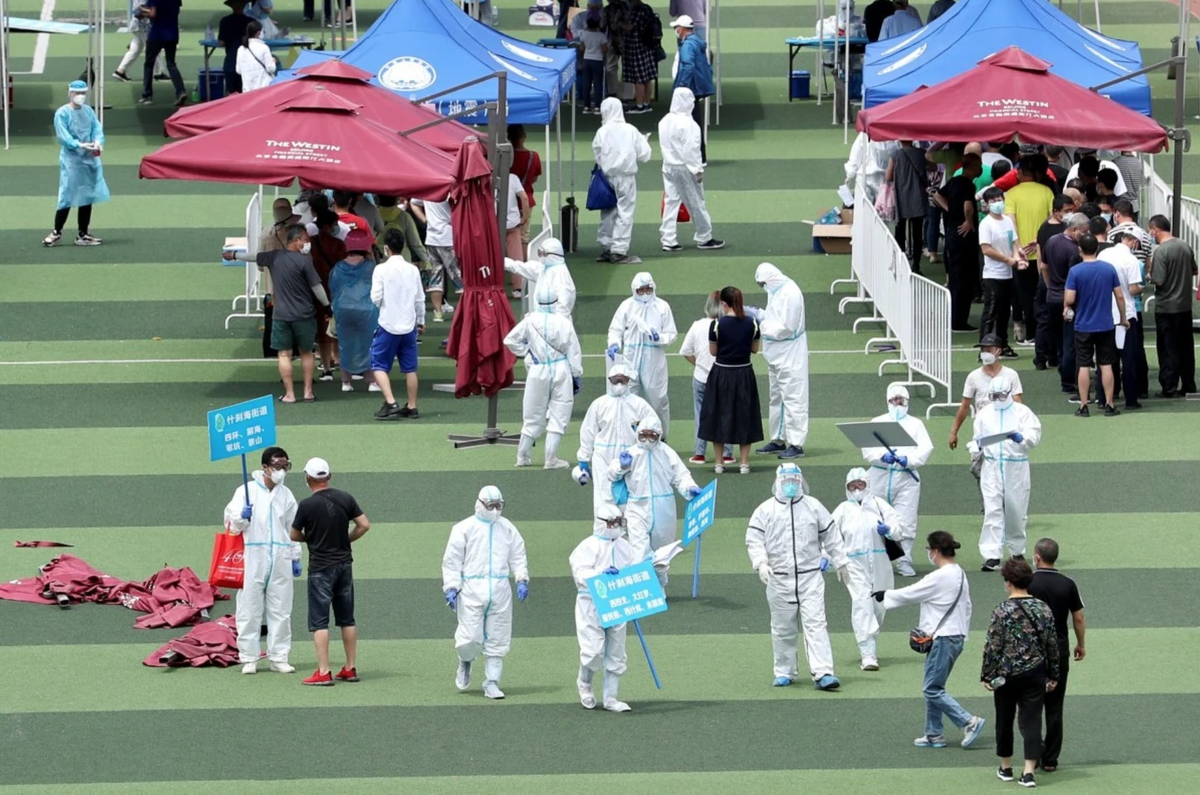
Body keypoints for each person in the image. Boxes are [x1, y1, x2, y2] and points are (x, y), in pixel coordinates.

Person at [877, 531, 986, 749]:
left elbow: (913, 592)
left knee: (931, 689)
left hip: (943, 638)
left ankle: (968, 721)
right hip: (954, 636)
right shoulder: (960, 573)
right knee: (935, 686)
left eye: (929, 550)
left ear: (935, 551)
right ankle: (934, 733)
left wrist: (886, 595)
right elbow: (967, 607)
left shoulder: (940, 576)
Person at [746, 463, 846, 690]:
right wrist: (760, 562)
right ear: (778, 481)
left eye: (794, 480)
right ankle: (784, 671)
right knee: (782, 628)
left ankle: (823, 672)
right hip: (779, 578)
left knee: (816, 624)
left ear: (801, 481)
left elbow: (831, 535)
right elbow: (754, 540)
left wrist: (841, 561)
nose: (791, 484)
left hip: (810, 577)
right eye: (786, 480)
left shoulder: (813, 506)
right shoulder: (765, 510)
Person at [442, 486, 530, 700]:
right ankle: (465, 660)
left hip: (500, 588)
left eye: (499, 505)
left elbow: (518, 554)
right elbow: (452, 560)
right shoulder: (464, 528)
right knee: (470, 636)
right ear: (480, 504)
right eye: (491, 506)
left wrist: (521, 578)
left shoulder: (507, 528)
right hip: (471, 588)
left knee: (498, 637)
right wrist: (451, 586)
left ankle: (492, 682)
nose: (495, 510)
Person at [290, 457, 371, 686]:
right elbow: (364, 525)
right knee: (347, 619)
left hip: (320, 568)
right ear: (329, 476)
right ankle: (350, 668)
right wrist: (346, 540)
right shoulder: (345, 497)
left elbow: (294, 534)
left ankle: (324, 671)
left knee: (319, 622)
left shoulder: (307, 505)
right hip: (345, 565)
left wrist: (311, 539)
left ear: (307, 478)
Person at [981, 559, 1060, 789]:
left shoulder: (1001, 610)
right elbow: (1051, 644)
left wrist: (987, 674)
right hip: (1035, 672)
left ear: (1008, 582)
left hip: (1006, 674)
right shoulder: (1043, 608)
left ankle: (1006, 767)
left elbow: (993, 645)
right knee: (1032, 721)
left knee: (1004, 719)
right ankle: (1028, 772)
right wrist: (1053, 674)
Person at [222, 446, 302, 675]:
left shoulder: (286, 495)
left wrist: (295, 556)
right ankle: (249, 657)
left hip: (280, 556)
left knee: (281, 609)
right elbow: (231, 524)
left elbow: (292, 528)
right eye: (277, 466)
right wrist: (241, 516)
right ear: (265, 467)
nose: (281, 471)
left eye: (285, 466)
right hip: (252, 556)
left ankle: (279, 657)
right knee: (249, 609)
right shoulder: (245, 491)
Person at [607, 415, 700, 582]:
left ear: (659, 435)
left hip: (663, 507)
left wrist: (689, 487)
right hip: (637, 507)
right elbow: (611, 474)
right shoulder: (631, 453)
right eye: (643, 435)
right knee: (639, 552)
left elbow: (681, 476)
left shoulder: (667, 453)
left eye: (652, 436)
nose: (647, 440)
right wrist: (621, 466)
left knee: (661, 555)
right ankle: (641, 587)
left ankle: (659, 586)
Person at [504, 284, 584, 470]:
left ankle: (522, 456)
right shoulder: (564, 322)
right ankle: (551, 458)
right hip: (560, 368)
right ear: (556, 302)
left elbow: (510, 340)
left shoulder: (530, 320)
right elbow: (574, 351)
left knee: (532, 412)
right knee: (559, 412)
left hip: (538, 369)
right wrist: (576, 373)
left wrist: (527, 352)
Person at [968, 375, 1042, 571]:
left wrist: (1022, 438)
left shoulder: (1022, 412)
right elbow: (977, 438)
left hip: (1015, 466)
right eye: (994, 396)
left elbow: (1034, 435)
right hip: (991, 466)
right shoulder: (984, 414)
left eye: (1001, 395)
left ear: (1009, 393)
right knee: (992, 510)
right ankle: (992, 555)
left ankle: (1017, 551)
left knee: (1016, 510)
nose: (997, 399)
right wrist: (975, 449)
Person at [832, 467, 903, 671]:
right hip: (853, 563)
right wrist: (828, 558)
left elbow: (898, 529)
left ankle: (870, 638)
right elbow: (830, 535)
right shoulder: (843, 509)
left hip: (880, 561)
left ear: (867, 484)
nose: (856, 489)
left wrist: (888, 530)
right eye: (852, 486)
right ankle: (868, 653)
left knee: (879, 604)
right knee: (862, 602)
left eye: (860, 484)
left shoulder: (879, 505)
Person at [569, 504, 638, 711]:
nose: (615, 527)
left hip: (618, 602)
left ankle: (611, 698)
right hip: (591, 602)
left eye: (618, 522)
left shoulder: (624, 546)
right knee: (593, 651)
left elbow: (633, 568)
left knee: (617, 652)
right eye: (611, 523)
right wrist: (600, 574)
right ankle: (584, 683)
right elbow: (579, 572)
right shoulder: (588, 546)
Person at [860, 384, 933, 577]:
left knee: (906, 520)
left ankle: (904, 560)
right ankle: (874, 560)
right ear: (888, 401)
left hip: (906, 477)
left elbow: (925, 448)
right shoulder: (878, 422)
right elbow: (867, 449)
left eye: (901, 400)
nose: (898, 404)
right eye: (894, 400)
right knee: (873, 516)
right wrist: (881, 457)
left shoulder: (916, 424)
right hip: (879, 475)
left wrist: (909, 460)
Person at [1027, 538, 1086, 774]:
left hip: (1031, 652)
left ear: (1037, 557)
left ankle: (1033, 753)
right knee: (1054, 707)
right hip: (1059, 651)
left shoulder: (1027, 581)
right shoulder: (1068, 583)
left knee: (1030, 706)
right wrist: (1081, 644)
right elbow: (1078, 618)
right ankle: (1051, 759)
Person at [255, 225, 330, 403]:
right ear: (295, 241)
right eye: (305, 240)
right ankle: (308, 392)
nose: (308, 243)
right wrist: (327, 306)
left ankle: (289, 394)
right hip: (304, 315)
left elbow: (254, 257)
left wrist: (234, 255)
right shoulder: (305, 262)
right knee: (307, 353)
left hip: (281, 315)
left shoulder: (274, 256)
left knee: (284, 355)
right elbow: (317, 287)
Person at [948, 334, 1024, 511]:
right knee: (979, 468)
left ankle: (1007, 506)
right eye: (983, 350)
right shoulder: (973, 377)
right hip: (983, 431)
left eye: (988, 350)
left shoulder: (1011, 375)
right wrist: (954, 431)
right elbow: (965, 406)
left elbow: (1019, 404)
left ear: (998, 351)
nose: (984, 353)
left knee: (1006, 469)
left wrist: (1021, 429)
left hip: (1005, 429)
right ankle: (989, 506)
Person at [574, 363, 659, 511]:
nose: (619, 383)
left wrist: (649, 449)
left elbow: (655, 426)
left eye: (622, 379)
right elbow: (588, 431)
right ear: (610, 380)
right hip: (603, 457)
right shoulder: (599, 404)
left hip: (631, 456)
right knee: (603, 496)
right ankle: (603, 524)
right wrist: (583, 458)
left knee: (633, 496)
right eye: (615, 380)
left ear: (628, 380)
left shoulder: (639, 404)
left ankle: (630, 524)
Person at [699, 286, 763, 473]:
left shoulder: (717, 324)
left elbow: (713, 351)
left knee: (718, 415)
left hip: (722, 373)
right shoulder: (753, 323)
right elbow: (754, 349)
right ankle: (744, 463)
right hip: (744, 373)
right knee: (745, 415)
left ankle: (719, 463)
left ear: (724, 304)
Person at [606, 272, 677, 436]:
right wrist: (614, 344)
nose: (645, 293)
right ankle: (627, 436)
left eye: (648, 289)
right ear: (634, 289)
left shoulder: (662, 307)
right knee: (627, 398)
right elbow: (615, 329)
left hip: (654, 360)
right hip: (630, 358)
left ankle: (660, 436)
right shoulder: (626, 306)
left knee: (658, 400)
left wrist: (659, 338)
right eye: (641, 290)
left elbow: (671, 333)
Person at [1065, 232, 1126, 417]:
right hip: (1105, 324)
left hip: (1083, 325)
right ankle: (1109, 404)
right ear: (1097, 248)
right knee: (1106, 365)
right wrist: (1123, 318)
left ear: (1080, 249)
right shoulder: (1108, 269)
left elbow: (1070, 298)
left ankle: (1084, 405)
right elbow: (1120, 296)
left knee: (1083, 365)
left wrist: (1067, 306)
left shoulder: (1075, 271)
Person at [752, 263, 809, 459]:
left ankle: (796, 444)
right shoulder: (775, 290)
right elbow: (774, 316)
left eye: (763, 283)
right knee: (776, 397)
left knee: (793, 398)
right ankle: (778, 439)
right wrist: (761, 314)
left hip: (790, 353)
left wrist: (761, 322)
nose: (763, 287)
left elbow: (787, 328)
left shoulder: (791, 293)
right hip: (775, 354)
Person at [658, 87, 724, 252]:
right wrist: (697, 170)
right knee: (696, 202)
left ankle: (668, 239)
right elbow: (691, 150)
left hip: (668, 165)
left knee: (671, 201)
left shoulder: (665, 120)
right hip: (685, 167)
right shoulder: (689, 124)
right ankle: (704, 237)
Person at [45, 81, 109, 248]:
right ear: (69, 93)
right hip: (72, 160)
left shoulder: (88, 111)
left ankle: (83, 234)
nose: (80, 96)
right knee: (67, 195)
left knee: (86, 195)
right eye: (76, 93)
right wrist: (79, 145)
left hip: (89, 159)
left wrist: (97, 142)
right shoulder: (62, 113)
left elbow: (96, 129)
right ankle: (56, 232)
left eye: (83, 93)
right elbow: (63, 136)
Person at [370, 228, 425, 420]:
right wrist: (421, 320)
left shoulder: (380, 269)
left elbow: (376, 297)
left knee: (378, 364)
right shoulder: (413, 269)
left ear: (386, 248)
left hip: (388, 324)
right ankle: (412, 405)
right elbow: (420, 298)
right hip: (409, 325)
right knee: (410, 368)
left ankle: (390, 401)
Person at [593, 97, 652, 263]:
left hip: (606, 176)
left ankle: (606, 246)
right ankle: (619, 250)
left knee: (608, 211)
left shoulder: (602, 131)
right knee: (625, 211)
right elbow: (645, 154)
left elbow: (597, 153)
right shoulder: (630, 130)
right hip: (625, 176)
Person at [1005, 161, 1056, 347]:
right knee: (1043, 293)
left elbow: (1010, 222)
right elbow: (1051, 218)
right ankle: (1046, 332)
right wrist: (1038, 239)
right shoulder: (1046, 192)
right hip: (1043, 252)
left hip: (1021, 255)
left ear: (1019, 173)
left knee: (1025, 295)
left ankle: (1031, 333)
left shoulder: (1011, 194)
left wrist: (1018, 246)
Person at [680, 291, 733, 465]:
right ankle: (727, 454)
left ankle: (699, 453)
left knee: (701, 415)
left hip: (702, 377)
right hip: (724, 377)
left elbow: (685, 351)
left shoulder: (697, 325)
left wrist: (699, 363)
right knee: (726, 414)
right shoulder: (729, 325)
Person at [1147, 215, 1198, 397]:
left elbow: (1159, 279)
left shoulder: (1161, 251)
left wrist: (1149, 276)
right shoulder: (1184, 245)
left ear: (1155, 230)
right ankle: (1188, 384)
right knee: (1186, 347)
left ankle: (1169, 387)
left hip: (1166, 307)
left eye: (1150, 231)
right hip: (1184, 305)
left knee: (1168, 348)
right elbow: (1194, 269)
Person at [1041, 212, 1087, 398]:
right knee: (1070, 343)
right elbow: (1075, 279)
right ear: (1074, 230)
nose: (1086, 235)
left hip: (1052, 297)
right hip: (1067, 300)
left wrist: (1049, 286)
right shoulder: (1074, 251)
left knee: (1059, 340)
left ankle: (1063, 371)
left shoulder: (1052, 241)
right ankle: (1068, 381)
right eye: (1084, 231)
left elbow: (1044, 267)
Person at [934, 152, 981, 330]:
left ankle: (954, 317)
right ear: (971, 166)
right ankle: (958, 320)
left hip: (952, 233)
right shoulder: (967, 184)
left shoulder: (954, 181)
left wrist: (949, 209)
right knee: (964, 277)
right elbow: (968, 206)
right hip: (963, 236)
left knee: (955, 275)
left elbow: (937, 196)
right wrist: (968, 220)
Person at [1099, 232, 1145, 410]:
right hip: (1125, 315)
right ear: (1133, 242)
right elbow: (1133, 289)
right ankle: (1131, 399)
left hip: (1105, 314)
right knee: (1128, 358)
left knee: (1106, 359)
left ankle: (1104, 397)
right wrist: (1142, 287)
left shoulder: (1104, 254)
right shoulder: (1131, 260)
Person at [329, 231, 378, 393]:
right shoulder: (371, 267)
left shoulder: (338, 267)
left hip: (343, 309)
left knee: (345, 344)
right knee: (369, 345)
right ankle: (371, 382)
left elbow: (333, 288)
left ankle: (346, 382)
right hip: (367, 310)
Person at [1032, 194, 1074, 369]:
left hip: (1050, 280)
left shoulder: (1047, 228)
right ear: (1056, 211)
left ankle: (1050, 356)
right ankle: (1043, 356)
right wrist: (1045, 282)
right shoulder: (1053, 230)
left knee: (1049, 322)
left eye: (1071, 210)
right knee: (1047, 321)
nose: (1069, 214)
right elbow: (1041, 258)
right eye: (1066, 211)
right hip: (1053, 282)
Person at [978, 186, 1021, 358]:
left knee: (1004, 312)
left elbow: (1014, 242)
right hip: (992, 275)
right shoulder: (986, 224)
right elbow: (986, 249)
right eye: (993, 201)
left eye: (999, 200)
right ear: (987, 204)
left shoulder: (1007, 220)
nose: (997, 203)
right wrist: (1007, 259)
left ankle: (1002, 344)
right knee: (991, 312)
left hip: (1008, 274)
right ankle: (984, 348)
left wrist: (1017, 257)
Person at [309, 210, 348, 382]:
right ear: (328, 226)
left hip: (316, 292)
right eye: (334, 225)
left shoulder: (310, 244)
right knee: (338, 328)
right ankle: (338, 359)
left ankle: (326, 368)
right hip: (337, 291)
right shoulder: (339, 245)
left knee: (322, 331)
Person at [670, 16, 714, 164]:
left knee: (688, 122)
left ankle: (697, 156)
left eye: (676, 27)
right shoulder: (695, 42)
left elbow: (688, 66)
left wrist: (682, 86)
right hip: (695, 88)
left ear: (682, 28)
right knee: (695, 122)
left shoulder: (687, 45)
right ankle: (699, 156)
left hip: (689, 90)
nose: (675, 30)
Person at [409, 198, 461, 322]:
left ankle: (438, 312)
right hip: (449, 238)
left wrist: (425, 220)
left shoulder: (428, 190)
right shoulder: (449, 190)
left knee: (435, 279)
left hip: (432, 239)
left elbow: (413, 203)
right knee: (459, 277)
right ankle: (463, 312)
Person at [505, 237, 577, 321]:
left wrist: (553, 325)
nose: (541, 256)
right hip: (541, 320)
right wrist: (502, 262)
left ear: (553, 255)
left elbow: (563, 307)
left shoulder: (561, 276)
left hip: (556, 324)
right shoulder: (544, 268)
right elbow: (520, 267)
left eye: (544, 254)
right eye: (539, 253)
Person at [886, 141, 930, 273]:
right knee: (917, 233)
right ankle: (916, 265)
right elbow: (933, 167)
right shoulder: (921, 153)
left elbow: (888, 176)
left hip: (901, 196)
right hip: (918, 197)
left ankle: (900, 263)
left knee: (900, 230)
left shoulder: (895, 154)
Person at [137, 0, 187, 106]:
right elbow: (177, 11)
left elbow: (152, 14)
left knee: (149, 64)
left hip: (157, 34)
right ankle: (181, 91)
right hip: (172, 33)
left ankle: (147, 95)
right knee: (171, 64)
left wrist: (142, 12)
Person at [112, 0, 166, 83]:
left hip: (139, 25)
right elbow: (141, 9)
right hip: (144, 26)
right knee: (155, 48)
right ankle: (158, 74)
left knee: (135, 49)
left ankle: (120, 71)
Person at [622, 0, 660, 115]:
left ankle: (639, 106)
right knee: (647, 78)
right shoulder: (647, 8)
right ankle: (646, 104)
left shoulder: (637, 11)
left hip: (637, 46)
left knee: (639, 78)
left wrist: (619, 23)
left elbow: (629, 27)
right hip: (648, 46)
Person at [846, 132, 899, 205]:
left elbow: (855, 156)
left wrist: (850, 173)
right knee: (867, 205)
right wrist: (850, 173)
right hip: (868, 177)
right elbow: (855, 155)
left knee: (879, 206)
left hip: (880, 178)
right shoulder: (864, 135)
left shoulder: (893, 136)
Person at [218, 0, 252, 94]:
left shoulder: (225, 21)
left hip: (231, 60)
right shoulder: (250, 22)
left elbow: (221, 42)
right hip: (246, 62)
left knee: (231, 91)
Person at [577, 18, 608, 113]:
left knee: (586, 84)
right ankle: (597, 106)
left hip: (587, 60)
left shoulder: (584, 35)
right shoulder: (601, 36)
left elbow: (582, 48)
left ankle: (586, 106)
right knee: (598, 84)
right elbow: (604, 49)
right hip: (597, 60)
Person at [236, 21, 276, 92]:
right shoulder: (264, 47)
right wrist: (273, 62)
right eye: (263, 32)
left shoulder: (241, 49)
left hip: (247, 90)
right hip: (264, 88)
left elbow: (238, 70)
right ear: (258, 33)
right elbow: (271, 69)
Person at [602, 0, 630, 101]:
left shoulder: (607, 10)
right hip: (628, 41)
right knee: (628, 68)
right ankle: (627, 94)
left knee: (611, 68)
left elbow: (602, 26)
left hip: (613, 42)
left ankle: (612, 93)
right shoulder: (627, 6)